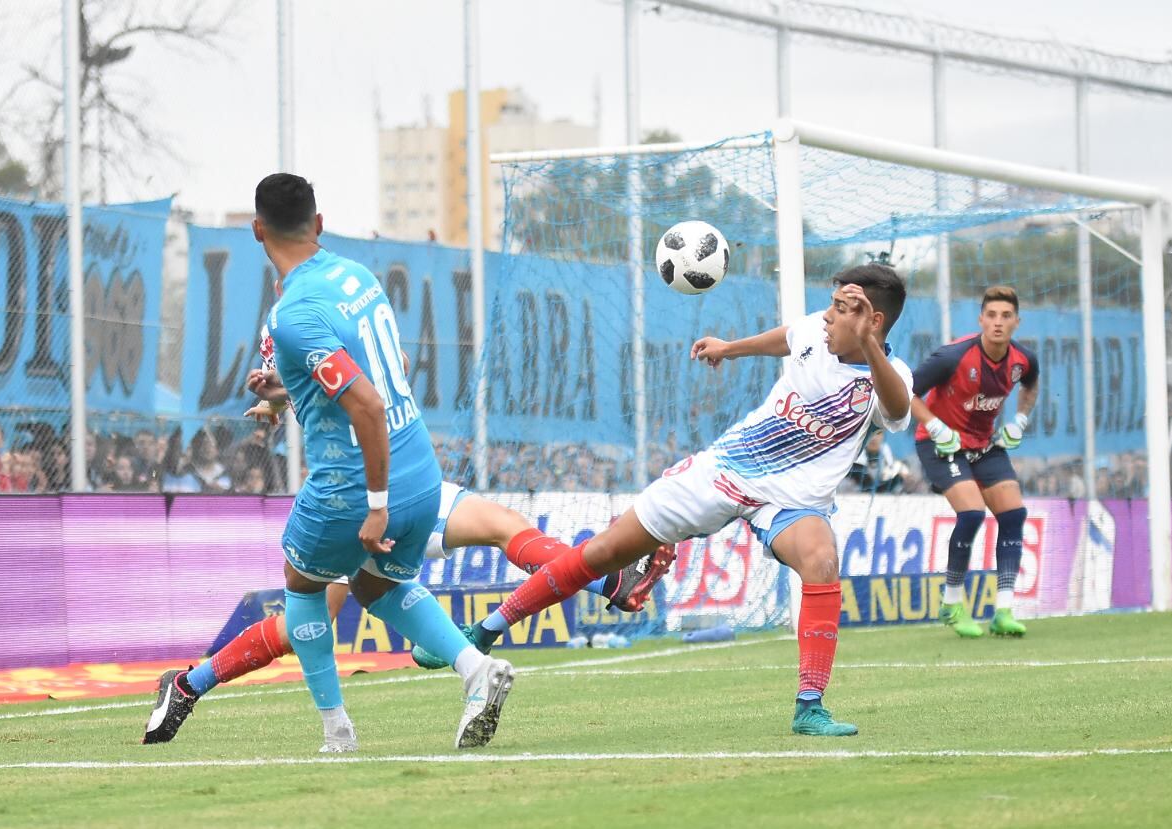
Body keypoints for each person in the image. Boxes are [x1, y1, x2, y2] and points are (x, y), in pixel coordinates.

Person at [415, 263, 913, 738]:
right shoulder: (814, 331)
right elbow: (786, 337)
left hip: (790, 499)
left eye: (841, 309)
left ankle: (810, 705)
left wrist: (870, 348)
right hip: (726, 468)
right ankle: (485, 629)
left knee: (822, 560)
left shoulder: (891, 376)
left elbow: (895, 410)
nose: (826, 316)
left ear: (874, 321)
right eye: (829, 305)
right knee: (603, 553)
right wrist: (731, 348)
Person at [140, 348, 672, 745]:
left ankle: (608, 579)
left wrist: (277, 397)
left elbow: (334, 381)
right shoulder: (298, 318)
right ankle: (190, 684)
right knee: (310, 618)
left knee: (505, 524)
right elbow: (327, 389)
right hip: (356, 491)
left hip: (406, 478)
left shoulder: (334, 303)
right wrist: (277, 396)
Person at [145, 173, 509, 753]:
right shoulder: (357, 276)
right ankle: (474, 668)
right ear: (318, 223)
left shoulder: (292, 314)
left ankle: (336, 729)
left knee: (301, 585)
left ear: (258, 230)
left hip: (354, 483)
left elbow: (364, 401)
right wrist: (286, 389)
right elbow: (385, 371)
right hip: (419, 466)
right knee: (378, 588)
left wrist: (375, 506)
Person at [910, 285, 1039, 639]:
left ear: (1016, 322)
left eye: (1006, 316)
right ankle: (952, 602)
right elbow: (905, 390)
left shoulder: (1023, 360)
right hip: (941, 445)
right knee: (971, 513)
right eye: (992, 315)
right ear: (981, 319)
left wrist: (1020, 420)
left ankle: (1004, 611)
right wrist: (935, 426)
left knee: (1013, 514)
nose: (998, 322)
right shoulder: (952, 356)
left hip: (983, 445)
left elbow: (1031, 385)